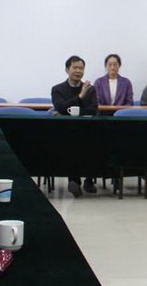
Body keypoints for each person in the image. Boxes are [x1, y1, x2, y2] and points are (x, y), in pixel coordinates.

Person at [51, 55, 98, 197]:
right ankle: (74, 181)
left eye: (81, 68)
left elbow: (93, 110)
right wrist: (80, 96)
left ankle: (89, 181)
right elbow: (60, 107)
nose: (78, 71)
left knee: (95, 143)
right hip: (66, 130)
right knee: (70, 145)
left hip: (87, 129)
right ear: (67, 70)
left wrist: (71, 111)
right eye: (75, 67)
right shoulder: (57, 89)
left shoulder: (90, 89)